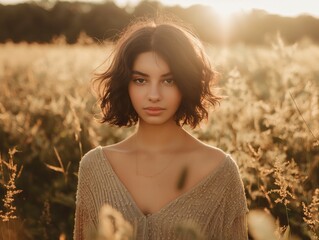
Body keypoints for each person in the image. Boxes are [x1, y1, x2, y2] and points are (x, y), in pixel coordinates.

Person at [74, 16, 248, 240]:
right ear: (125, 84)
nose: (154, 95)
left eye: (168, 81)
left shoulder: (221, 172)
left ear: (186, 84)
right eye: (140, 80)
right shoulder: (95, 168)